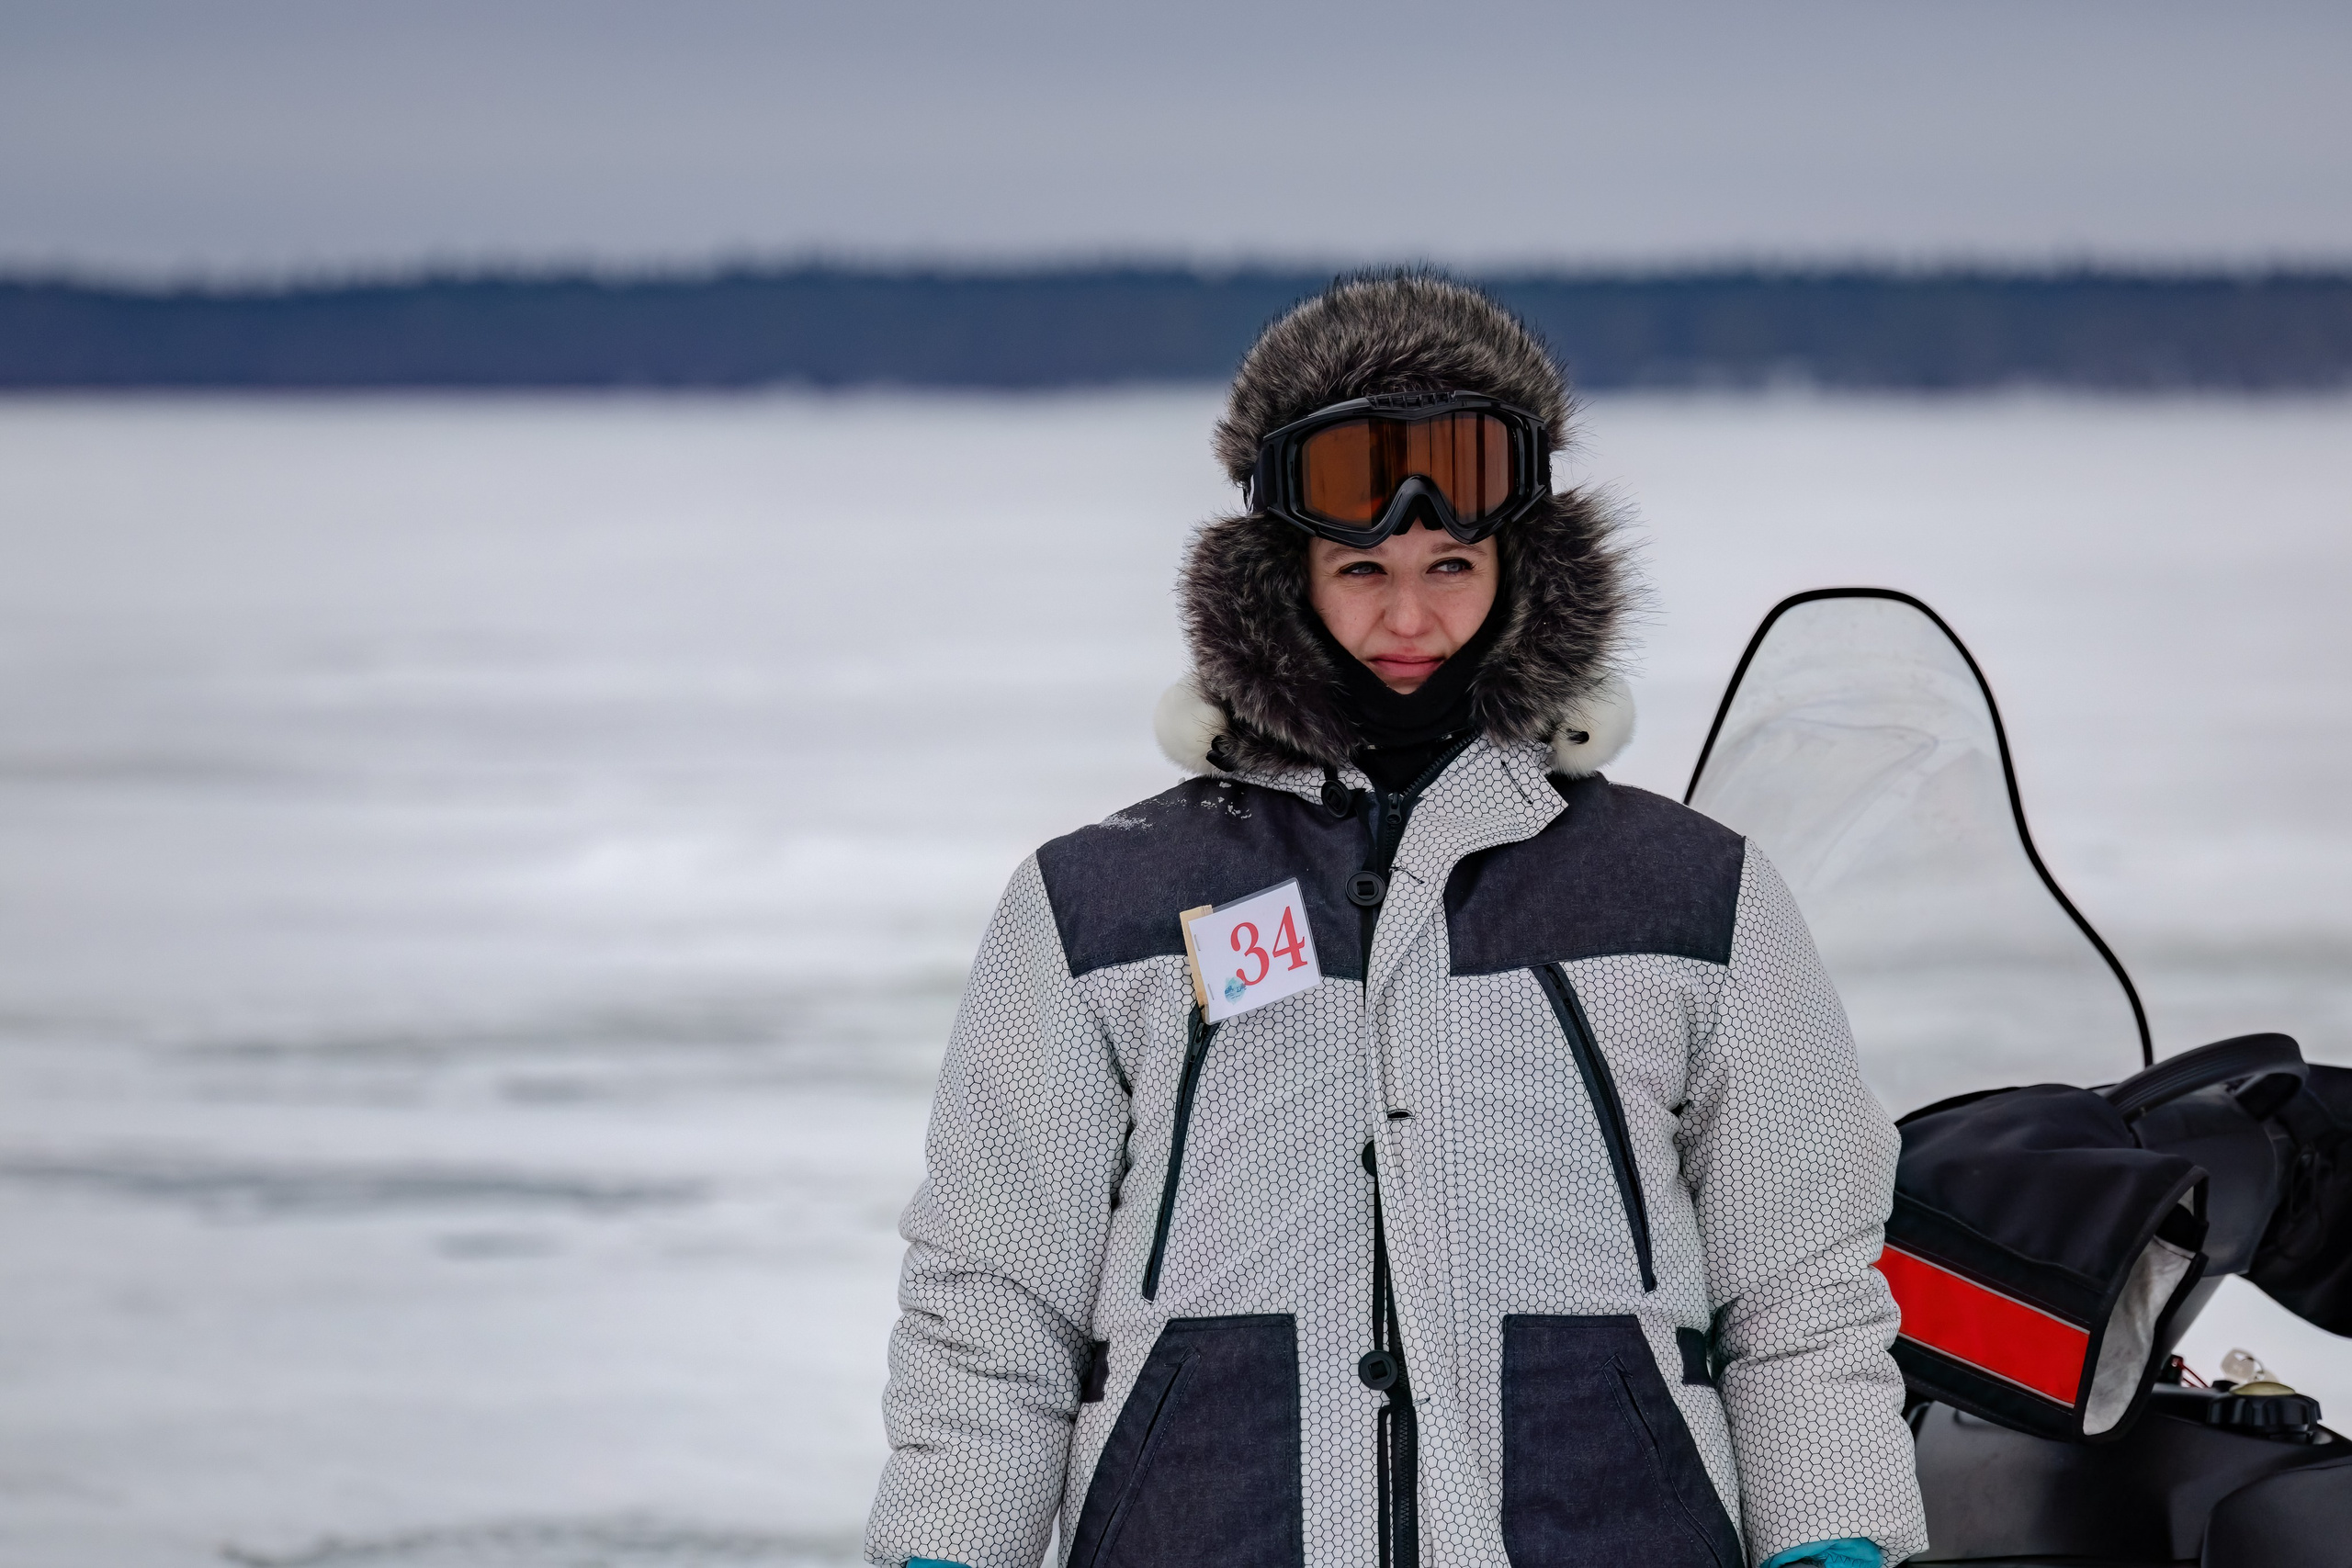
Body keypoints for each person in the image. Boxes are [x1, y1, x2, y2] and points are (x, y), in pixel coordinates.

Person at [864, 275, 1928, 1568]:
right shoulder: (1103, 903)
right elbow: (995, 1300)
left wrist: (1837, 1535)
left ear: (1523, 570)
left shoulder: (1694, 895)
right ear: (1282, 578)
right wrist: (949, 1546)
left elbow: (1801, 1290)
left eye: (1451, 566)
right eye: (1362, 567)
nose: (1409, 616)